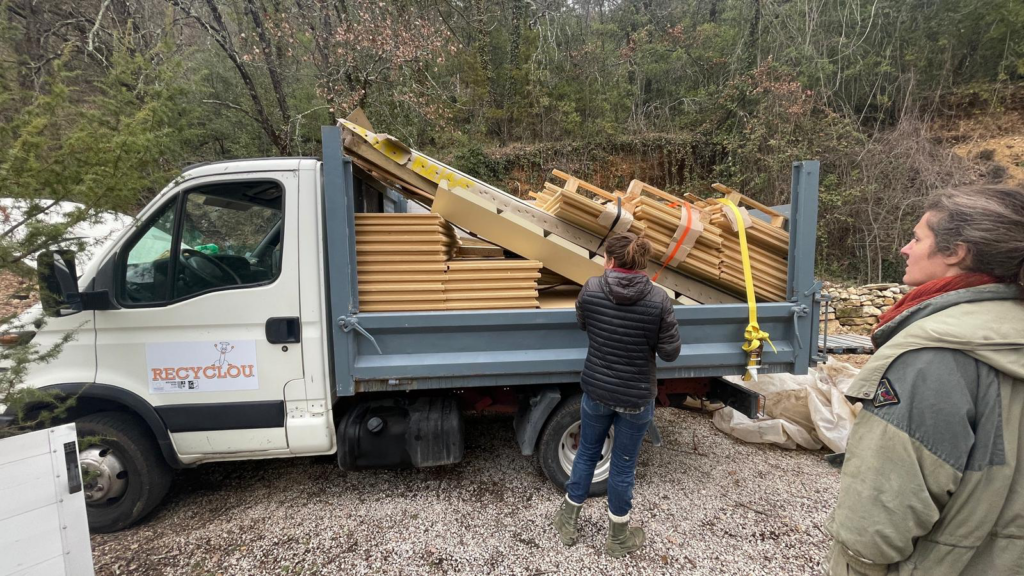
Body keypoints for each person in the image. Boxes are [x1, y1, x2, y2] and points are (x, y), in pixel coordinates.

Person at [827, 185, 1024, 575]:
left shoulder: (931, 357)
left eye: (917, 238)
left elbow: (876, 525)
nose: (905, 248)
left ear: (955, 252)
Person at [551, 231, 681, 558]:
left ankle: (568, 521)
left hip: (596, 391)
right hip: (636, 399)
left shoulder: (592, 289)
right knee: (622, 466)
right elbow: (670, 353)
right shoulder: (659, 299)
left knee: (586, 453)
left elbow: (583, 323)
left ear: (610, 260)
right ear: (642, 263)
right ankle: (618, 537)